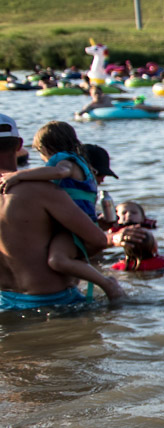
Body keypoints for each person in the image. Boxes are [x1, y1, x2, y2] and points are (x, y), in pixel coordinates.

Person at [0, 121, 123, 300]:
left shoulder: (57, 172)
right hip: (53, 300)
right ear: (19, 145)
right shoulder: (43, 190)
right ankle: (108, 284)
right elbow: (98, 240)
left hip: (4, 301)